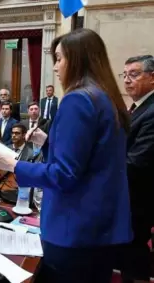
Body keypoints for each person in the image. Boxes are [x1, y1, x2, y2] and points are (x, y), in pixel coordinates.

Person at [0, 28, 133, 282]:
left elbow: (65, 175)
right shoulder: (105, 97)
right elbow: (92, 158)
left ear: (78, 58)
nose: (55, 67)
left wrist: (15, 165)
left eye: (59, 58)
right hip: (101, 225)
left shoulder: (76, 100)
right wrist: (48, 143)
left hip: (73, 228)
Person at [120, 55, 154, 283]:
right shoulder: (138, 108)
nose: (127, 80)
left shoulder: (152, 112)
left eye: (134, 74)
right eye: (125, 75)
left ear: (152, 78)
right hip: (129, 196)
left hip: (139, 198)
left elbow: (136, 163)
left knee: (134, 251)